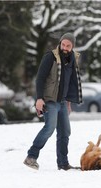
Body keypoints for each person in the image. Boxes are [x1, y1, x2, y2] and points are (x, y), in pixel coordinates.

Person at [24, 33, 82, 171]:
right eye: (63, 44)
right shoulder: (50, 57)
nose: (65, 48)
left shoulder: (73, 59)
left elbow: (69, 82)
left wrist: (68, 102)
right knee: (49, 128)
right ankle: (31, 157)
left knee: (65, 132)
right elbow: (40, 78)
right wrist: (39, 98)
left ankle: (63, 164)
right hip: (49, 100)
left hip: (62, 102)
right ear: (60, 43)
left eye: (68, 46)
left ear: (72, 46)